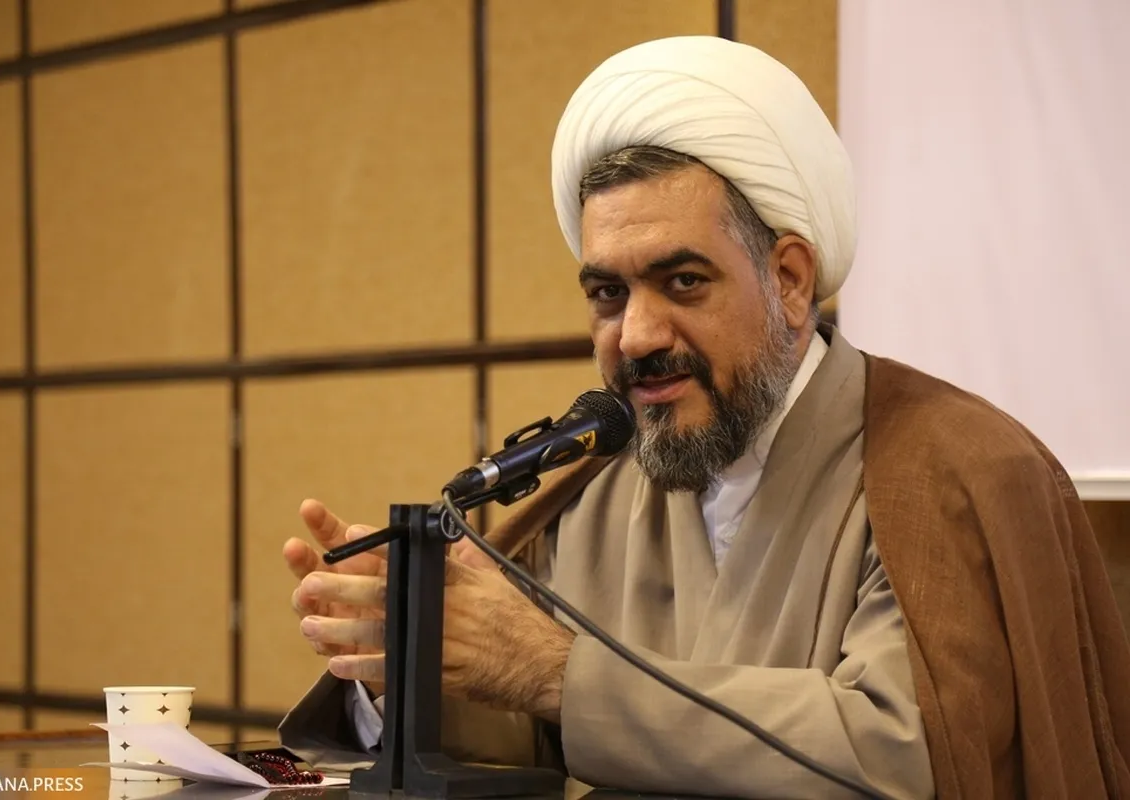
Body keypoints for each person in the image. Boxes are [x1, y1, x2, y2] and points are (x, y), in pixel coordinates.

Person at [277, 36, 1130, 799]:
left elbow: (901, 752)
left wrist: (559, 672)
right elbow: (533, 738)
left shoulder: (948, 472)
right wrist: (405, 663)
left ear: (789, 279)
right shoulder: (598, 496)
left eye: (682, 282)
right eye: (608, 293)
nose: (636, 335)